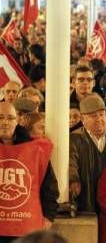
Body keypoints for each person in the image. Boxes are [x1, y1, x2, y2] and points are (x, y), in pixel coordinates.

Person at [0, 102, 58, 242]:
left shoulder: (35, 149)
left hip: (26, 230)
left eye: (10, 118)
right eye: (0, 117)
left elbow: (49, 188)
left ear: (17, 121)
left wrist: (48, 218)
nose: (5, 122)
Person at [69, 93, 106, 213]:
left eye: (101, 115)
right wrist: (73, 180)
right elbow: (71, 162)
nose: (99, 119)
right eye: (93, 116)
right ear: (82, 119)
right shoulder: (74, 139)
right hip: (87, 199)